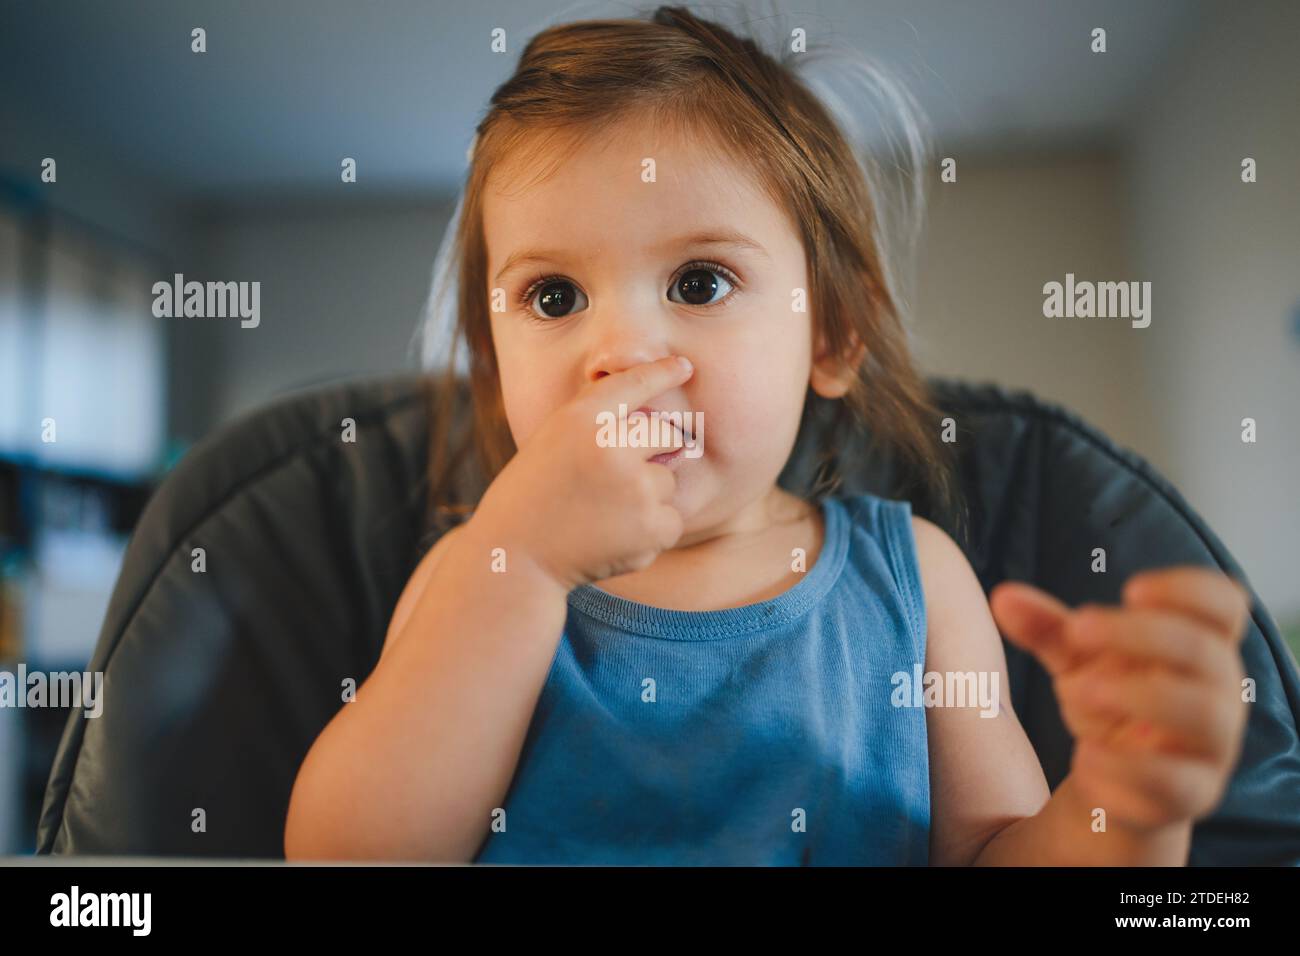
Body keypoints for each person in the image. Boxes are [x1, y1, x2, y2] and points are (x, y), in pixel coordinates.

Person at [284, 5, 1250, 865]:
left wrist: (1122, 813)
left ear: (830, 334)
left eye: (699, 282)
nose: (619, 353)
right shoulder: (479, 576)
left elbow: (996, 852)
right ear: (496, 373)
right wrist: (524, 560)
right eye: (554, 296)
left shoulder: (917, 579)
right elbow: (350, 855)